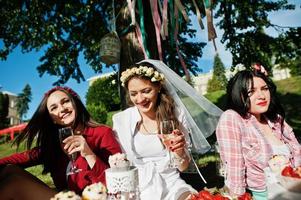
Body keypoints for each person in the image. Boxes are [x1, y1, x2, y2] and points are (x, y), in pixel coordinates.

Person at [113, 59, 222, 200]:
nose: (140, 99)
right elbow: (119, 166)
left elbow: (182, 167)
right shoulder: (121, 120)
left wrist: (179, 150)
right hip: (137, 189)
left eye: (146, 91)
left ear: (158, 87)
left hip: (172, 185)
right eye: (134, 94)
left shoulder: (176, 114)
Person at [0, 86, 121, 200]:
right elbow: (19, 159)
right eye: (54, 108)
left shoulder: (102, 133)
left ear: (75, 103)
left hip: (96, 197)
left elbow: (119, 181)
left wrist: (89, 154)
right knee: (9, 170)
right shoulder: (54, 144)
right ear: (52, 118)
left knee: (14, 185)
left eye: (65, 101)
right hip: (65, 197)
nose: (62, 109)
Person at [216, 64, 301, 199]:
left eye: (264, 89)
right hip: (268, 196)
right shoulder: (232, 118)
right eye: (251, 92)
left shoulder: (276, 119)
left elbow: (298, 154)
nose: (261, 95)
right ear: (239, 95)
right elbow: (235, 172)